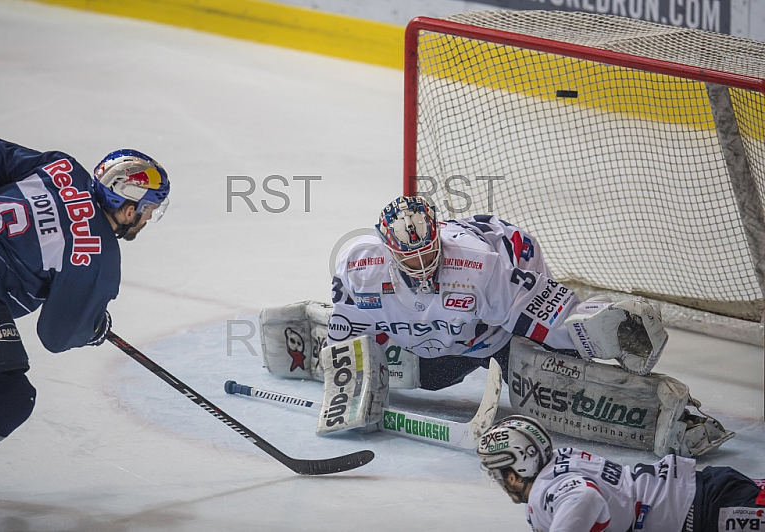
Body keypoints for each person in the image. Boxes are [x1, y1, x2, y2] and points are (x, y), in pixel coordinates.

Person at [0, 135, 170, 479]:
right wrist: (92, 327)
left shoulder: (62, 169)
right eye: (149, 209)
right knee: (5, 400)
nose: (147, 219)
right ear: (130, 208)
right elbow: (57, 334)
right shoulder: (98, 258)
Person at [326, 195, 667, 390]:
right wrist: (342, 364)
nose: (421, 264)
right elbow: (350, 319)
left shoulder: (479, 267)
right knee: (429, 378)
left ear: (438, 239)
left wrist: (597, 333)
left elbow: (543, 316)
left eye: (428, 253)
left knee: (547, 383)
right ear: (387, 249)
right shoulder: (359, 262)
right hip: (449, 335)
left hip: (504, 299)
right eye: (408, 257)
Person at [477, 415, 765, 532]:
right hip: (705, 494)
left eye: (499, 474)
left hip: (709, 510)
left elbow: (585, 497)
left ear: (514, 474)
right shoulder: (559, 462)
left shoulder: (547, 490)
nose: (500, 482)